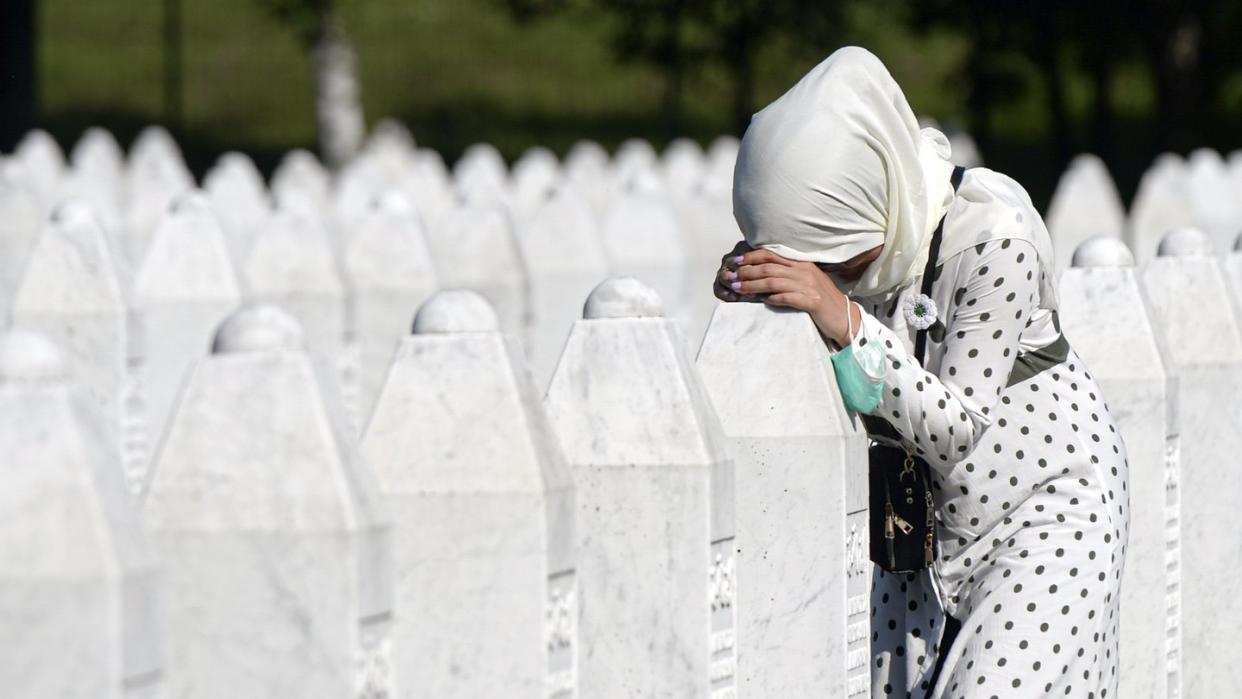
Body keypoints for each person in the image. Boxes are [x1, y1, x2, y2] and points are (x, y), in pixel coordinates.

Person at [714, 47, 1128, 698]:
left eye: (837, 259)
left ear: (872, 198)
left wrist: (840, 315)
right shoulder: (858, 255)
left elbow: (957, 424)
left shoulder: (995, 236)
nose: (828, 278)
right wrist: (757, 289)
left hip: (1043, 517)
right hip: (918, 535)